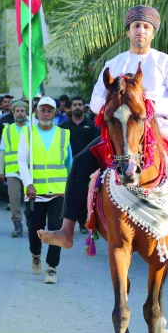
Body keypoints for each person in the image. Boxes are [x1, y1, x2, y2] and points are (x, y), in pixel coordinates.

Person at [38, 5, 168, 266]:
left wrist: (147, 106)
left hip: (161, 129)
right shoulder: (114, 64)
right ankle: (67, 230)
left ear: (153, 33)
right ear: (128, 31)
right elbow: (95, 99)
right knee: (82, 162)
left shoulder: (166, 63)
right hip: (120, 130)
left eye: (146, 27)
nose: (141, 31)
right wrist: (115, 105)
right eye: (136, 26)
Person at [18, 97, 72, 284]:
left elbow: (69, 164)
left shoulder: (64, 134)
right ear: (36, 112)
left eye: (50, 110)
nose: (46, 113)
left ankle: (52, 268)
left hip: (59, 192)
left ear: (55, 113)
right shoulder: (28, 133)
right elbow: (22, 161)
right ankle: (35, 254)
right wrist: (28, 183)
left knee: (56, 230)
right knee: (35, 230)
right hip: (36, 192)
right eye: (43, 110)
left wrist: (72, 189)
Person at [59, 96, 99, 233]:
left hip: (87, 166)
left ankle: (83, 223)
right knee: (69, 193)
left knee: (84, 193)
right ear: (70, 108)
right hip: (68, 165)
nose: (77, 107)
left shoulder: (92, 125)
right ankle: (65, 223)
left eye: (79, 104)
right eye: (74, 105)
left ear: (84, 107)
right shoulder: (63, 127)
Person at [0, 100, 29, 237]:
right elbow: (2, 150)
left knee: (30, 198)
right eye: (17, 111)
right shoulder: (7, 129)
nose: (20, 113)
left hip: (30, 169)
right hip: (12, 169)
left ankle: (32, 223)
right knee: (14, 198)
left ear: (26, 112)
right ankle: (17, 224)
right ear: (13, 113)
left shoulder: (33, 128)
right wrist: (0, 170)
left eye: (22, 111)